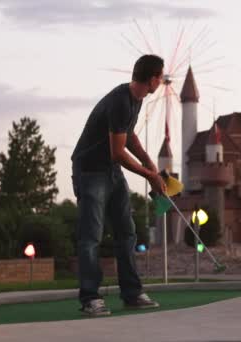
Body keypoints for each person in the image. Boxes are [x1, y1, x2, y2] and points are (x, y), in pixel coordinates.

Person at [71, 55, 167, 316]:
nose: (162, 80)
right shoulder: (120, 102)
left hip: (110, 172)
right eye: (161, 76)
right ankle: (90, 297)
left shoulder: (135, 100)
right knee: (92, 236)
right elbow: (117, 152)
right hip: (90, 171)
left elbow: (129, 135)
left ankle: (132, 293)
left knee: (127, 232)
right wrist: (150, 175)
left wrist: (148, 161)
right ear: (152, 79)